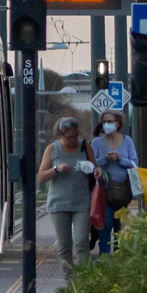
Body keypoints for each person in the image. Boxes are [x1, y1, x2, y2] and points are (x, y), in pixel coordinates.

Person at [37, 116, 93, 273]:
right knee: (64, 246)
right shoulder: (52, 149)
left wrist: (92, 169)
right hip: (59, 204)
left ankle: (84, 282)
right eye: (70, 137)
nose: (74, 140)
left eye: (76, 135)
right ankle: (70, 285)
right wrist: (56, 169)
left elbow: (96, 170)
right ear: (60, 134)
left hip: (82, 202)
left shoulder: (85, 146)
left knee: (82, 242)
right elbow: (41, 176)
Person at [90, 111, 139, 256]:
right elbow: (92, 164)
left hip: (123, 189)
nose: (106, 125)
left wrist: (119, 159)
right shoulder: (98, 142)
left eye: (110, 121)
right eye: (104, 122)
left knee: (120, 225)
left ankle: (119, 255)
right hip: (105, 189)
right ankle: (104, 255)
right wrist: (105, 159)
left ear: (117, 123)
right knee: (106, 223)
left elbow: (134, 163)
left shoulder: (127, 140)